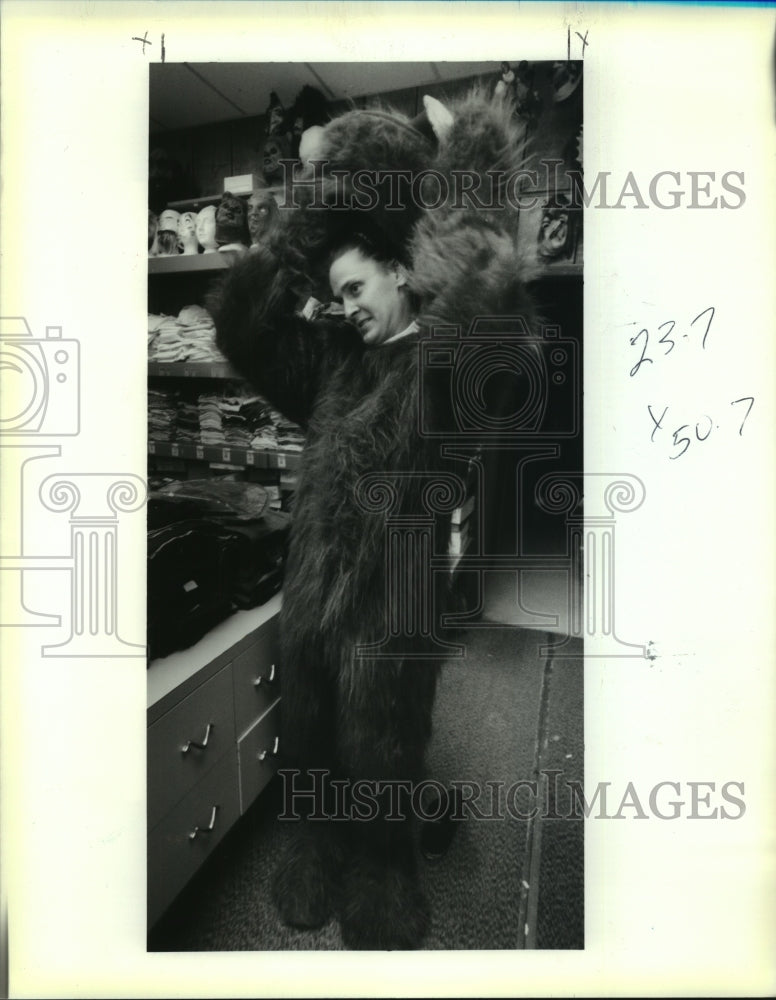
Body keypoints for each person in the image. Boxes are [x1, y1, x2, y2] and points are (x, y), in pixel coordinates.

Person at [211, 87, 535, 950]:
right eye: (334, 292)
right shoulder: (335, 362)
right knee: (308, 733)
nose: (345, 304)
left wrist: (466, 153)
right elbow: (241, 330)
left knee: (383, 745)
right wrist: (305, 224)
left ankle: (387, 870)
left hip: (394, 611)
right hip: (312, 600)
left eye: (355, 286)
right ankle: (316, 846)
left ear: (401, 272)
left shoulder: (443, 359)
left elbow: (484, 287)